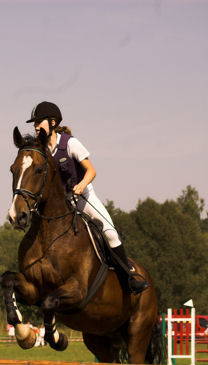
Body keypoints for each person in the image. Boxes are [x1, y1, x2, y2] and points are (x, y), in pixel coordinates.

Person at [26, 101, 149, 295]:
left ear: (52, 122)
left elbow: (91, 170)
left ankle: (129, 276)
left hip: (84, 197)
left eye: (38, 122)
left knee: (109, 232)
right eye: (34, 123)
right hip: (63, 204)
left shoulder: (70, 143)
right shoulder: (43, 150)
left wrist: (81, 185)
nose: (35, 126)